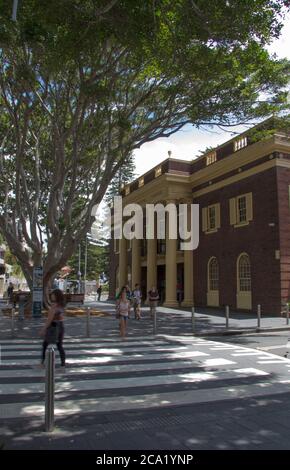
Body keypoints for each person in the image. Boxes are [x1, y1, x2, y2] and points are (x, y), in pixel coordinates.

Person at [39, 289, 66, 371]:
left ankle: (42, 362)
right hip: (61, 326)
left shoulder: (54, 307)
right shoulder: (61, 305)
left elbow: (49, 319)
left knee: (45, 344)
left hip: (53, 326)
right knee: (59, 345)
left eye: (53, 295)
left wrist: (43, 329)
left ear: (56, 296)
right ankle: (63, 364)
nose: (51, 296)